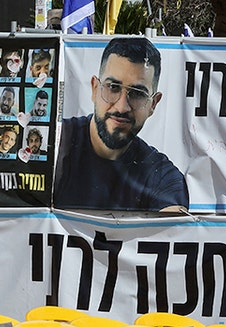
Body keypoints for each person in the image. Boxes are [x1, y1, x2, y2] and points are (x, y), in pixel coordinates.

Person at [53, 37, 188, 212]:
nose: (122, 107)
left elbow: (174, 231)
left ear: (153, 104)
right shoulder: (53, 143)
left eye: (137, 94)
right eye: (113, 87)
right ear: (95, 89)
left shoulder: (163, 178)